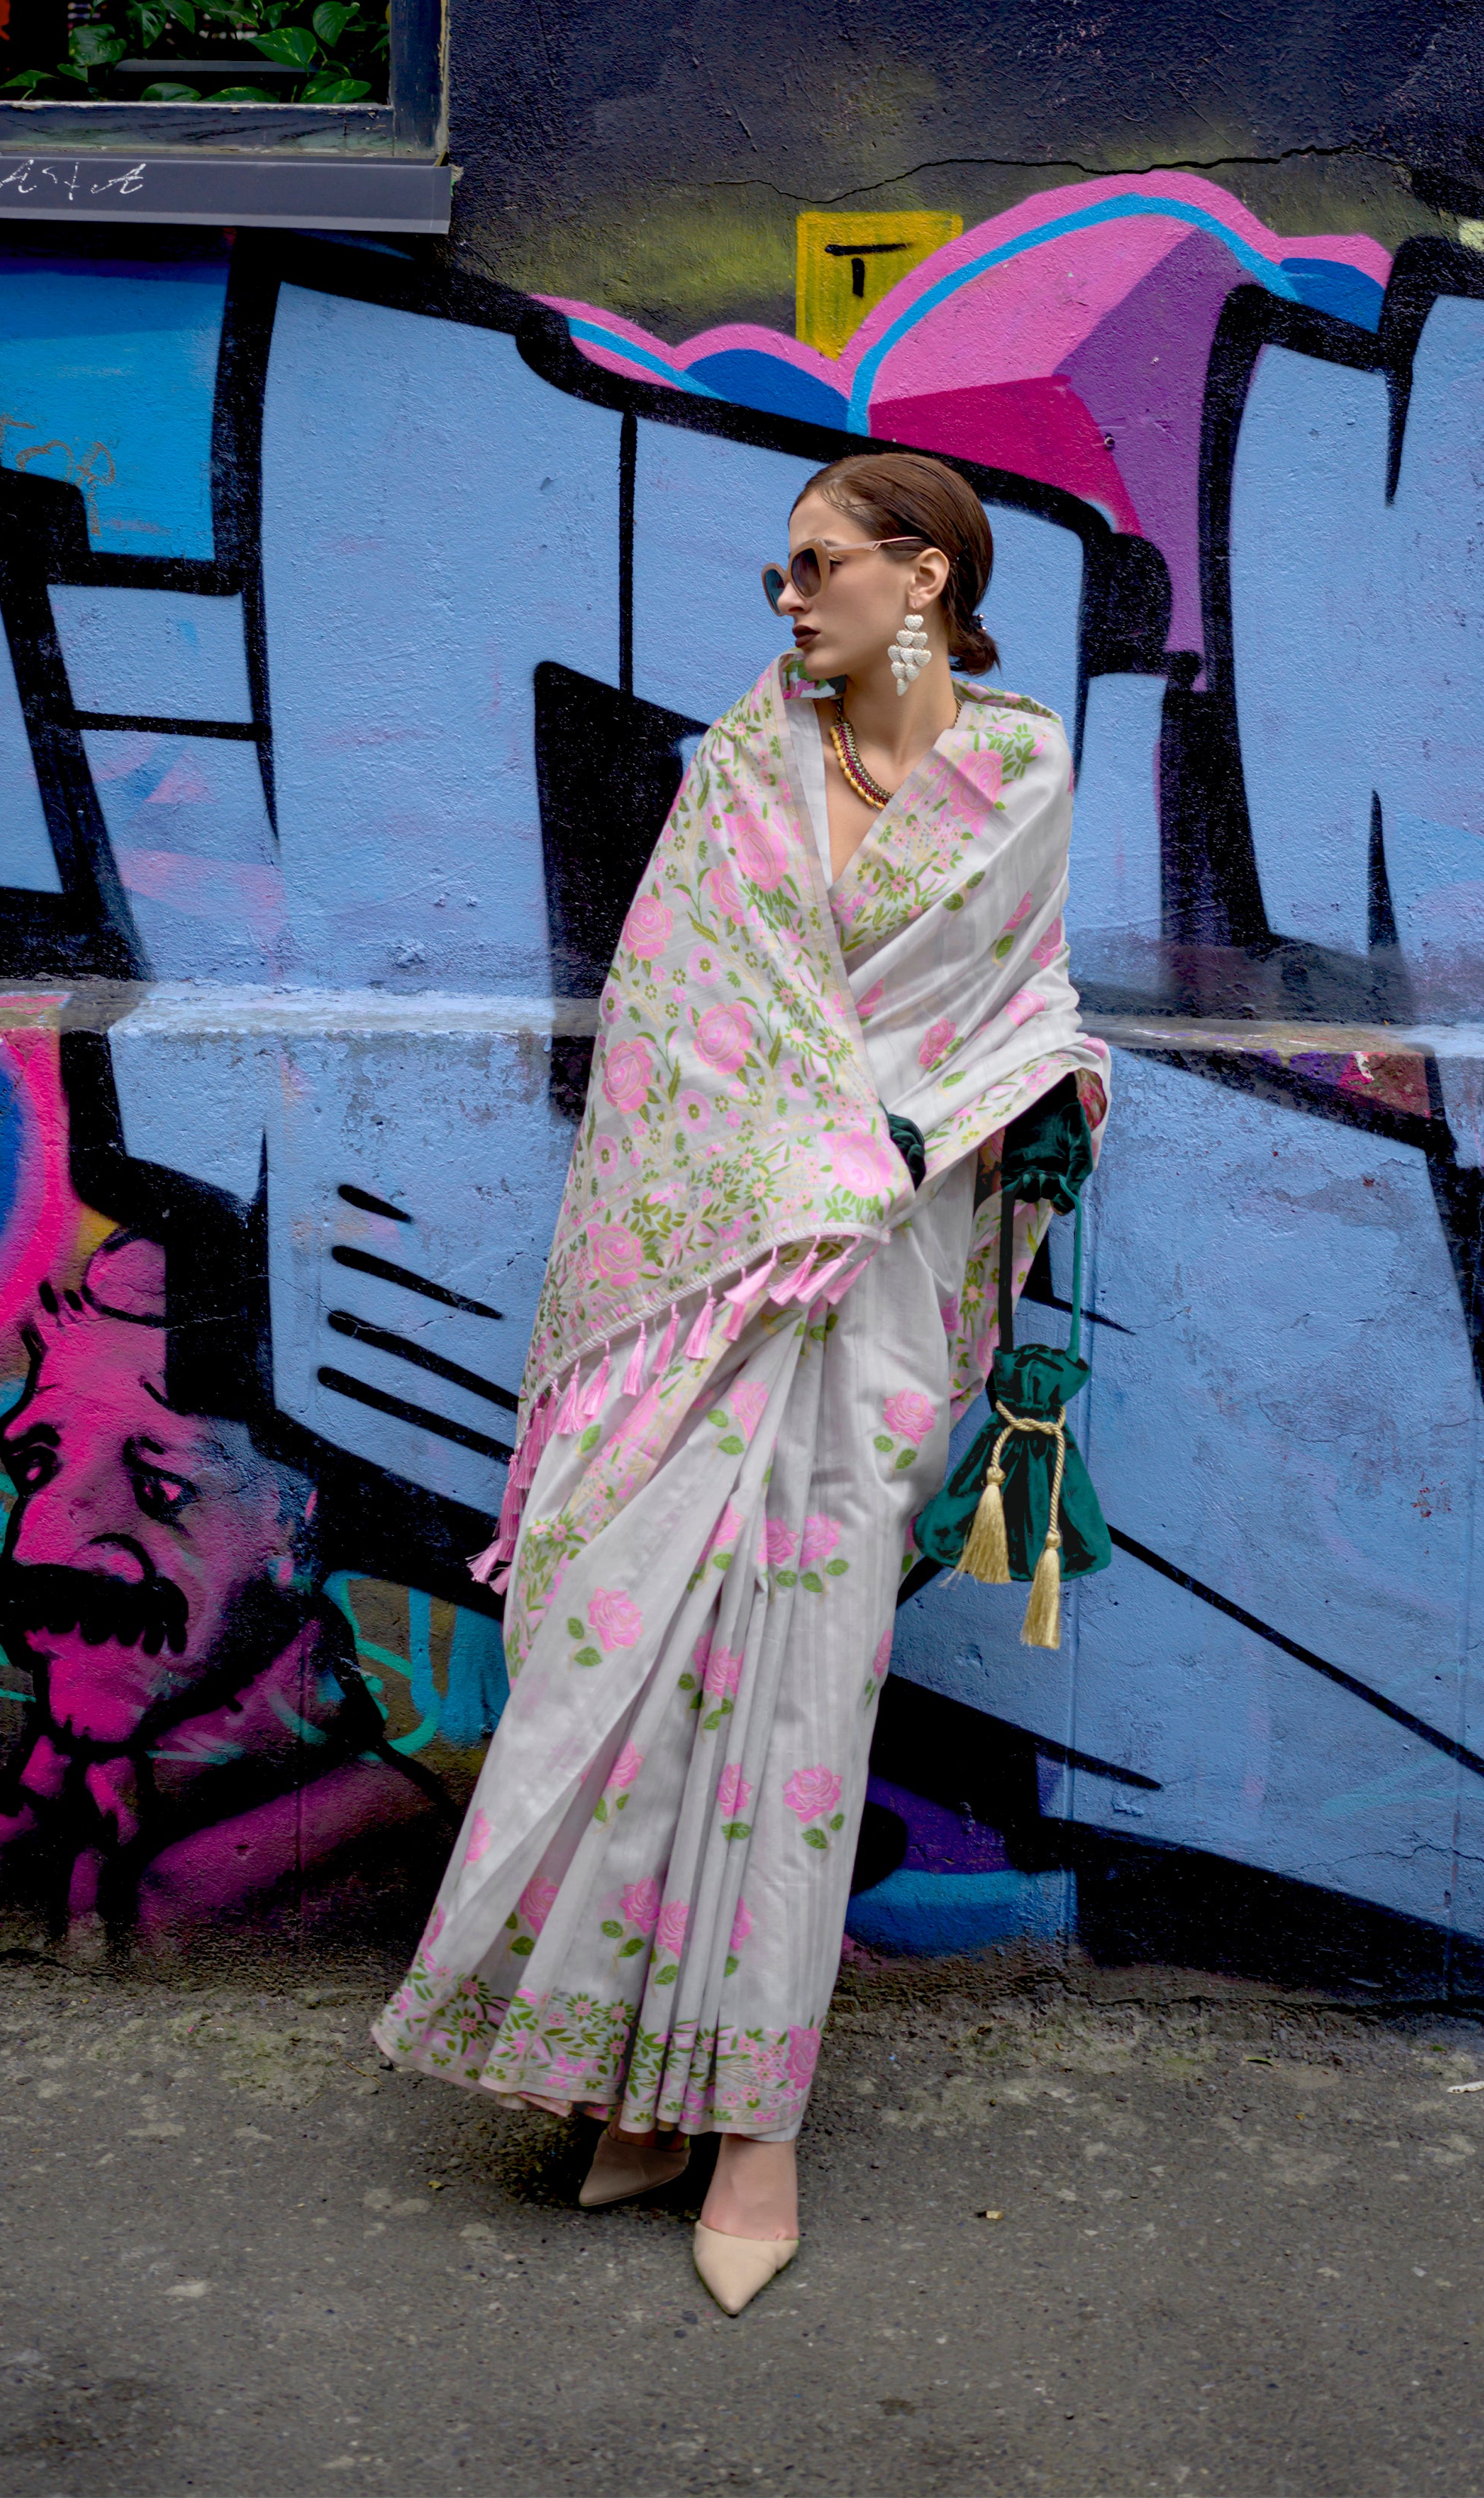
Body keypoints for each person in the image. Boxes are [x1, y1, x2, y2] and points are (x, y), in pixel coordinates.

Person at [371, 450, 1107, 2312]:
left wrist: (1035, 1082)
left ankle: (753, 2122)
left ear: (922, 574)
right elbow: (663, 1034)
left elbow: (1008, 1007)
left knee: (792, 1714)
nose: (787, 602)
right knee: (625, 1663)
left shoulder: (1015, 765)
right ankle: (633, 2079)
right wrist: (808, 1164)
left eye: (817, 566)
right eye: (779, 574)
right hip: (711, 1280)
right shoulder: (733, 774)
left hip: (877, 1293)